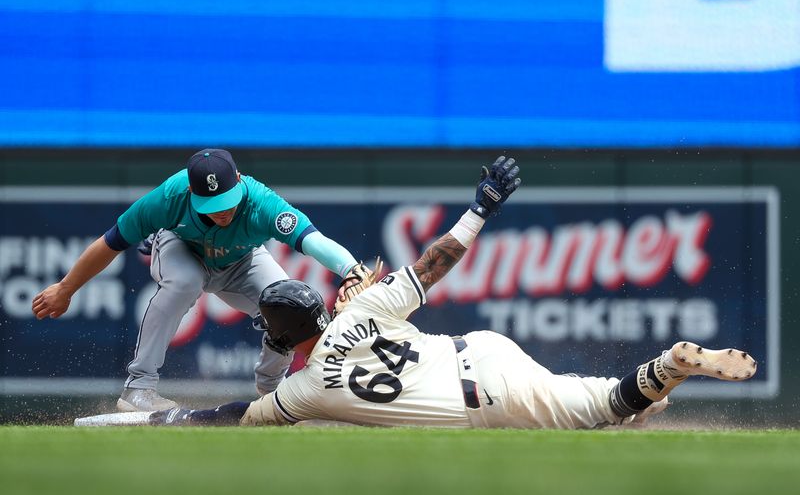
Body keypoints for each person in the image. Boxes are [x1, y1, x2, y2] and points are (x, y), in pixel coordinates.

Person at [134, 155, 757, 429]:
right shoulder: (362, 309)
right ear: (319, 308)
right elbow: (434, 263)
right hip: (483, 349)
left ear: (279, 338)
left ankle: (666, 370)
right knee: (604, 410)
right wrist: (480, 208)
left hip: (485, 398)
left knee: (600, 409)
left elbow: (233, 415)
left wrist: (165, 418)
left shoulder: (304, 388)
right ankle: (647, 398)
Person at [32, 148, 370, 412]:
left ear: (238, 179)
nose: (221, 211)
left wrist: (352, 269)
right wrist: (66, 288)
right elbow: (111, 242)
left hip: (241, 259)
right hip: (181, 249)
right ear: (192, 192)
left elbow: (311, 239)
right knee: (185, 282)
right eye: (211, 204)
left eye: (226, 200)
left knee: (292, 304)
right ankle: (139, 388)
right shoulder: (169, 197)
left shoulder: (261, 202)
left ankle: (275, 393)